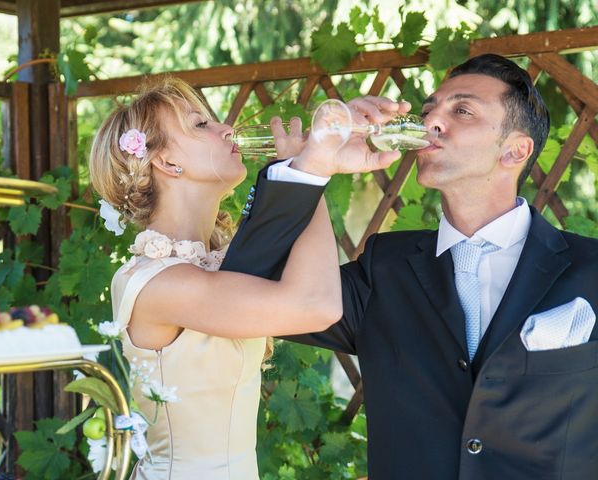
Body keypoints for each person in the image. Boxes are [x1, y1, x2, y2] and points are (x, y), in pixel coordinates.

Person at [221, 53, 598, 479]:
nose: (432, 121)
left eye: (462, 110)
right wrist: (314, 166)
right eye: (429, 110)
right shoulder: (385, 269)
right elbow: (245, 290)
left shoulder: (592, 270)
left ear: (515, 151)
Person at [88, 77, 405, 479]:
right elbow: (317, 306)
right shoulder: (153, 283)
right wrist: (312, 169)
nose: (227, 129)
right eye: (201, 125)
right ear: (166, 163)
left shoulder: (223, 264)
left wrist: (310, 171)